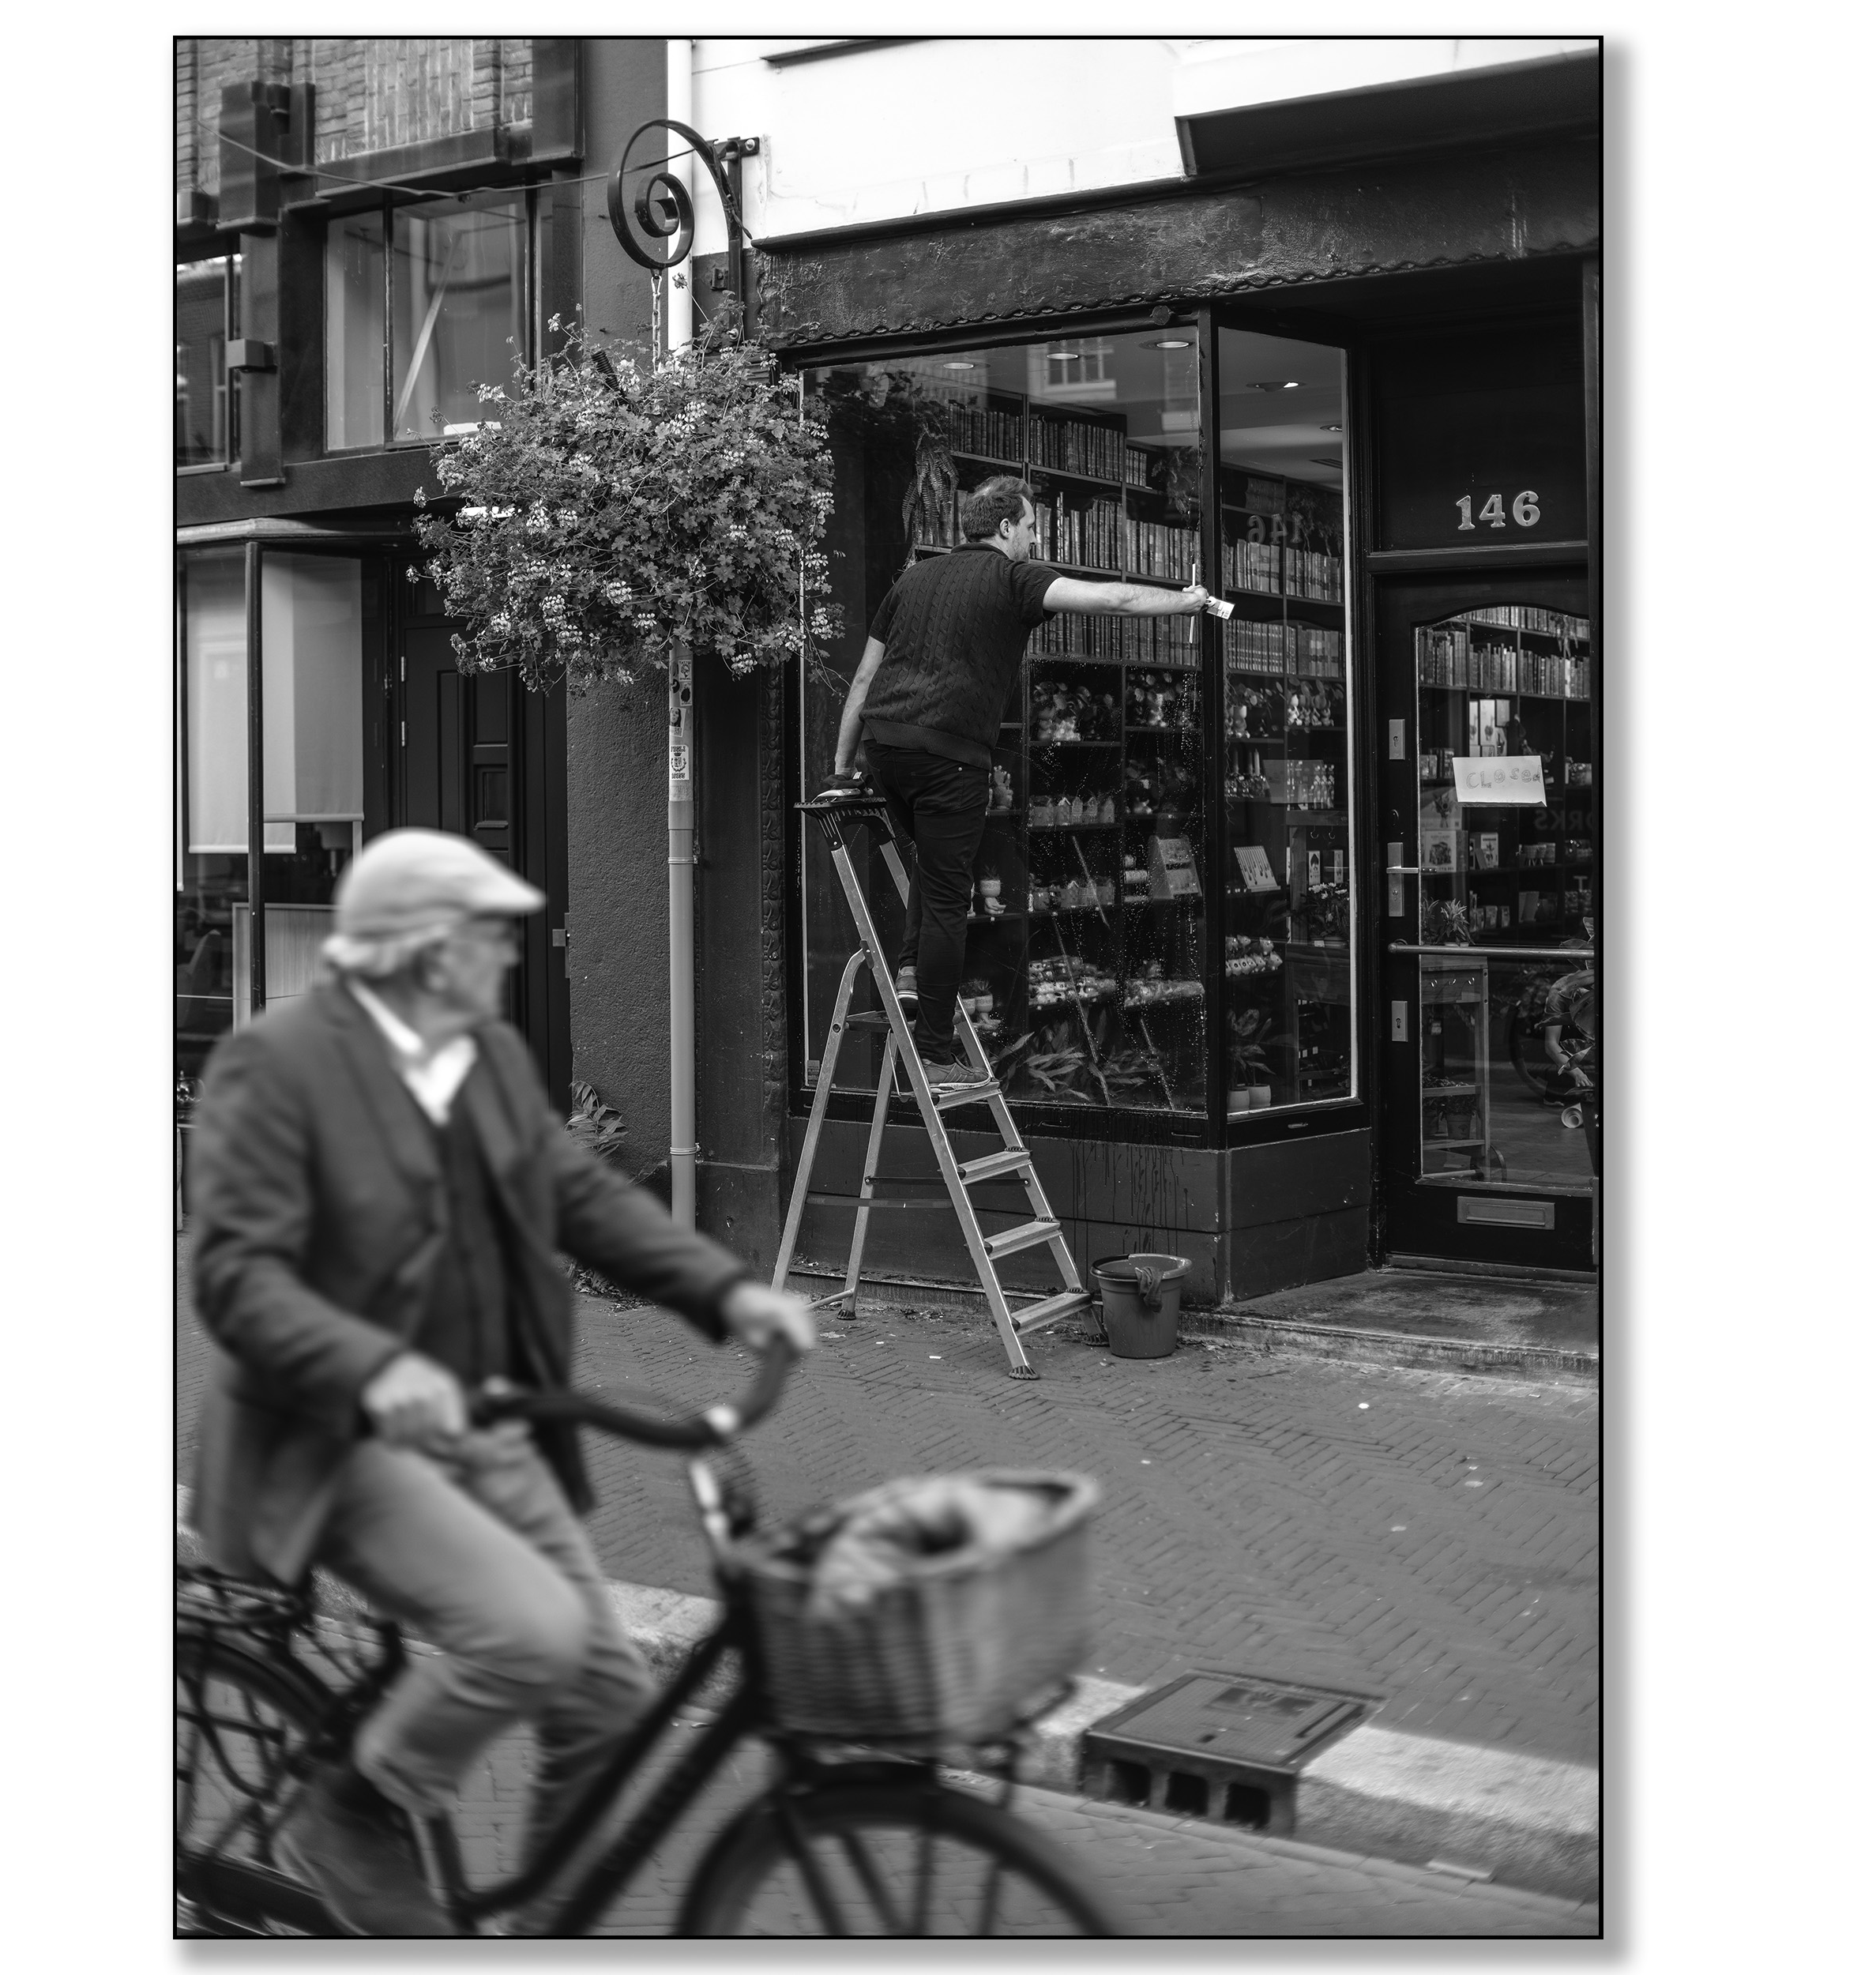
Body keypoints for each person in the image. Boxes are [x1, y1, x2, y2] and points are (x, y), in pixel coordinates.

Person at [185, 827, 816, 1935]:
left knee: (608, 1701)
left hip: (493, 1424)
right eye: (485, 935)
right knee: (531, 1635)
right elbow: (237, 1276)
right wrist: (376, 1367)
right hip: (342, 1440)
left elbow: (582, 1197)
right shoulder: (278, 1064)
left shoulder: (484, 1058)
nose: (505, 956)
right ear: (421, 950)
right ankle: (347, 1812)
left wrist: (729, 1295)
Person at [829, 475, 1218, 1087]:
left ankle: (909, 976)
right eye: (1033, 527)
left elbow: (862, 680)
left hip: (886, 749)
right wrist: (1187, 601)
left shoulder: (910, 581)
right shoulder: (1015, 578)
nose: (1036, 538)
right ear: (1006, 528)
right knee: (952, 896)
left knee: (934, 871)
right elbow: (1111, 601)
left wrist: (841, 768)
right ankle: (933, 1052)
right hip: (949, 757)